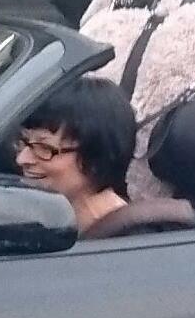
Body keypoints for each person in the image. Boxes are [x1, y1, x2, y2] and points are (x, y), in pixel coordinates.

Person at [15, 77, 135, 234]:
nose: (22, 159)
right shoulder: (66, 225)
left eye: (44, 147)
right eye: (23, 142)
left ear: (95, 160)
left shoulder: (122, 240)